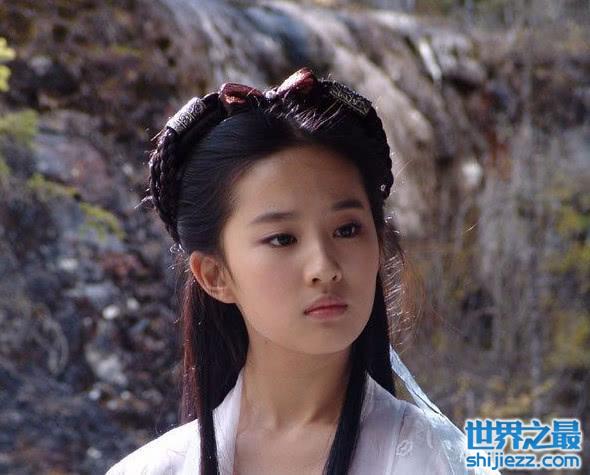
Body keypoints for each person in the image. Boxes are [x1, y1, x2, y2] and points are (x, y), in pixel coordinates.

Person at [106, 67, 500, 475]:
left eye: (347, 230)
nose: (325, 268)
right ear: (214, 275)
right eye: (282, 239)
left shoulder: (442, 461)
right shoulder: (153, 469)